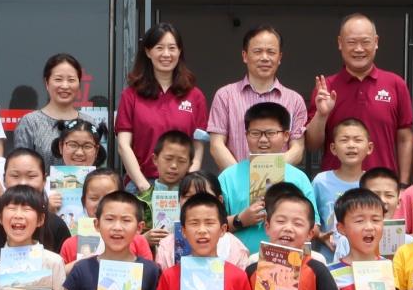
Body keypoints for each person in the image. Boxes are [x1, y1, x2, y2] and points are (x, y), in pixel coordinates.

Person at [306, 13, 413, 179]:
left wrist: (403, 183)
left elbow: (404, 139)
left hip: (381, 184)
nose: (359, 49)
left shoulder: (395, 84)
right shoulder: (326, 88)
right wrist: (321, 115)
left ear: (376, 42)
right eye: (351, 42)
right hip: (336, 185)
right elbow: (312, 144)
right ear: (340, 43)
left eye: (365, 42)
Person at [116, 23, 208, 192]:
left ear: (179, 52)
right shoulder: (131, 95)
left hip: (182, 186)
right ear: (148, 52)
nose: (166, 54)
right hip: (140, 184)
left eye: (172, 48)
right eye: (159, 48)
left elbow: (198, 147)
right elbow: (123, 145)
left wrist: (189, 183)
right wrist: (144, 186)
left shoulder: (195, 96)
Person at [245, 185, 351, 290]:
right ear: (267, 227)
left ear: (310, 234)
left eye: (297, 223)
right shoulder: (251, 271)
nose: (288, 228)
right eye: (281, 221)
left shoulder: (317, 269)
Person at [219, 103, 318, 254]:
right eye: (255, 133)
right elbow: (212, 225)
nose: (263, 139)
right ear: (246, 135)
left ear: (286, 136)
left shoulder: (298, 178)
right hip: (240, 262)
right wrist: (240, 220)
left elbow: (314, 227)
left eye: (271, 133)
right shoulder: (228, 176)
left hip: (287, 261)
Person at [208, 25, 307, 169]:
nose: (265, 58)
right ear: (245, 56)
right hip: (236, 180)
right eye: (258, 51)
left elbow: (297, 149)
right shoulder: (225, 96)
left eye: (271, 52)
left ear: (279, 57)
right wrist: (241, 177)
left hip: (280, 182)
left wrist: (268, 172)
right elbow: (216, 145)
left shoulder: (295, 100)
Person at [153, 192, 252, 290]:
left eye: (209, 223)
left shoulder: (238, 276)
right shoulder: (169, 276)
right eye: (194, 223)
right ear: (183, 231)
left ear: (223, 230)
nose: (202, 230)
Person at [63, 191, 163, 290]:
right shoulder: (82, 269)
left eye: (126, 220)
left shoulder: (151, 270)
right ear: (97, 225)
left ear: (139, 228)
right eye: (110, 219)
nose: (117, 227)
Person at [326, 188, 407, 290]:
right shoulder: (329, 274)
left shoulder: (392, 268)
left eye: (376, 220)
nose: (369, 227)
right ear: (341, 228)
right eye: (359, 221)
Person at [12, 53, 98, 169]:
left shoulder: (89, 122)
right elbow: (20, 166)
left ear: (79, 84)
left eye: (71, 80)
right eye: (58, 79)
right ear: (47, 83)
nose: (65, 86)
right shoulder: (30, 122)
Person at [154, 172, 251, 270]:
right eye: (189, 197)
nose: (198, 203)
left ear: (220, 200)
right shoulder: (166, 248)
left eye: (204, 196)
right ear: (179, 200)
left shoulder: (234, 248)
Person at [59, 169, 153, 264]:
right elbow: (60, 272)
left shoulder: (138, 241)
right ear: (84, 201)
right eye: (94, 198)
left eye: (110, 198)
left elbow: (149, 271)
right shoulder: (69, 245)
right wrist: (80, 265)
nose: (101, 204)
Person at [312, 118, 373, 256]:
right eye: (344, 140)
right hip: (329, 258)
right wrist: (320, 235)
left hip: (366, 260)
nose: (351, 145)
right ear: (333, 148)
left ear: (369, 148)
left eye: (357, 140)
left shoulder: (373, 183)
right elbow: (309, 218)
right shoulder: (321, 181)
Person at [139, 130, 195, 250]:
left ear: (190, 165)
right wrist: (143, 239)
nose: (174, 166)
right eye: (168, 159)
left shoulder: (195, 201)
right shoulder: (140, 201)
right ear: (155, 159)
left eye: (181, 161)